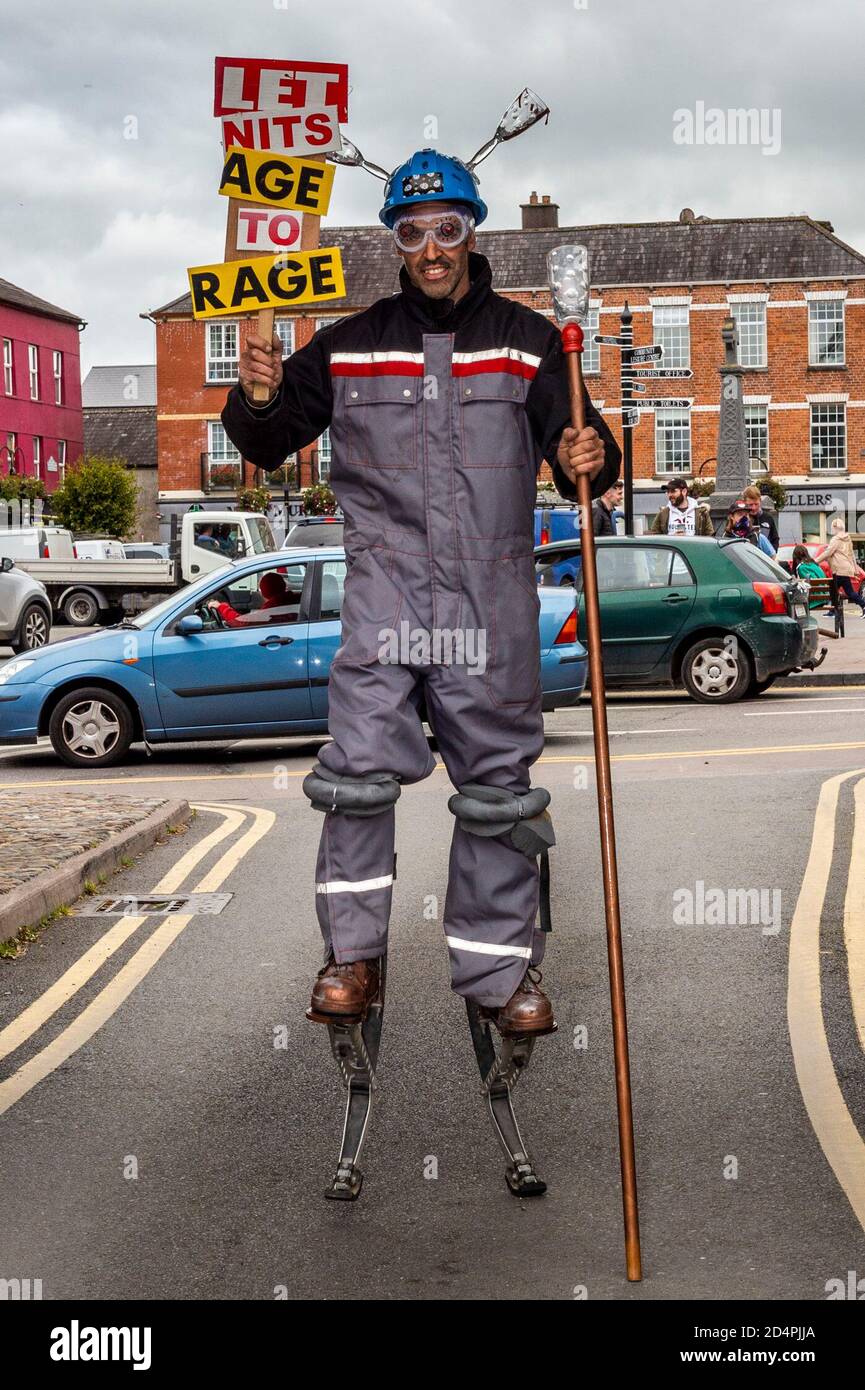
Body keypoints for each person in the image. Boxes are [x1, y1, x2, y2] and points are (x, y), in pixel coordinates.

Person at [220, 148, 620, 1035]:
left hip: (489, 605)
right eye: (412, 230)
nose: (431, 246)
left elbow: (578, 444)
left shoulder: (527, 340)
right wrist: (254, 397)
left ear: (472, 229)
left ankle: (498, 975)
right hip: (386, 599)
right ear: (394, 241)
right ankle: (351, 959)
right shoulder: (352, 343)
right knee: (355, 778)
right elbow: (270, 438)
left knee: (496, 791)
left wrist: (586, 456)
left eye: (447, 227)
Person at [207, 570, 296, 626]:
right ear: (284, 586)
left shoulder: (271, 610)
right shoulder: (293, 600)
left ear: (264, 593)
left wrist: (221, 607)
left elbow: (241, 622)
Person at [822, 517, 865, 616]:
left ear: (835, 527)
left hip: (838, 570)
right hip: (845, 569)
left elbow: (828, 553)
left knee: (834, 590)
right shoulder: (848, 539)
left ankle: (833, 611)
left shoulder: (835, 539)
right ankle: (863, 605)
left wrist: (815, 560)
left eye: (832, 527)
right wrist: (855, 568)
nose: (831, 529)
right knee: (848, 592)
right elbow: (852, 555)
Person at [742, 485, 779, 555]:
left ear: (760, 501)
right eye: (750, 504)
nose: (753, 508)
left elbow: (775, 539)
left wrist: (771, 555)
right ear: (744, 502)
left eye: (756, 504)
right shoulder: (740, 519)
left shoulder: (768, 518)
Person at [791, 544, 828, 610]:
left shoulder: (802, 567)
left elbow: (809, 582)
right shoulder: (814, 564)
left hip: (815, 600)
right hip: (824, 597)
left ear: (795, 557)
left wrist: (797, 580)